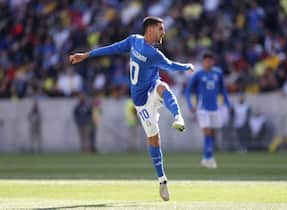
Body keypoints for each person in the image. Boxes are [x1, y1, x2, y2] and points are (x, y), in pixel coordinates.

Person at [69, 16, 194, 201]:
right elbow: (111, 49)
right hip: (141, 101)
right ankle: (162, 181)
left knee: (163, 87)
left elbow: (168, 66)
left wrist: (184, 67)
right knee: (154, 140)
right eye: (161, 29)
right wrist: (86, 55)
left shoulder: (147, 48)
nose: (163, 33)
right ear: (150, 29)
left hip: (152, 88)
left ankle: (178, 117)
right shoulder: (136, 43)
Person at [185, 52, 231, 169]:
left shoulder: (218, 73)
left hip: (215, 108)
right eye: (206, 60)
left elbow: (223, 90)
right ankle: (210, 159)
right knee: (207, 132)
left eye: (210, 60)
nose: (208, 62)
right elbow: (188, 91)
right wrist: (190, 104)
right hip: (202, 108)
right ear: (203, 62)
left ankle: (206, 158)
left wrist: (227, 103)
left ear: (213, 61)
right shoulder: (198, 75)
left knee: (212, 133)